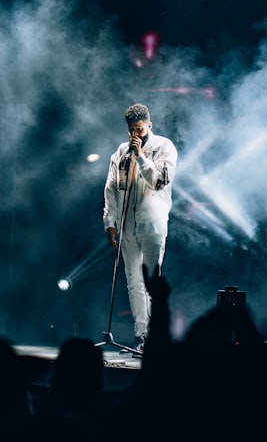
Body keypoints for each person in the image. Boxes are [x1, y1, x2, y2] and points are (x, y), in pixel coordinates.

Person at [103, 103, 178, 354]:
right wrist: (110, 223)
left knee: (152, 282)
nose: (137, 133)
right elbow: (111, 189)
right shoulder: (121, 152)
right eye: (132, 129)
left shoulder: (164, 147)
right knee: (134, 282)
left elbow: (158, 182)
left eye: (140, 128)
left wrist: (141, 156)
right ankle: (141, 337)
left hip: (152, 225)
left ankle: (157, 338)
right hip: (127, 227)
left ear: (149, 125)